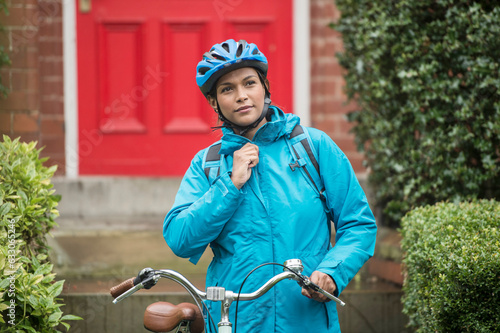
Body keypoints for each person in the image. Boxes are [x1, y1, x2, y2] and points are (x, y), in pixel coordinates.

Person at [163, 39, 377, 332]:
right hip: (235, 320)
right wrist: (230, 185)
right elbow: (180, 238)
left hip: (306, 317)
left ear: (264, 87)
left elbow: (358, 224)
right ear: (214, 102)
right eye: (227, 89)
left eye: (249, 83)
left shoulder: (313, 147)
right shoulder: (208, 164)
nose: (241, 96)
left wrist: (331, 271)